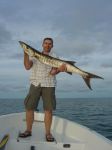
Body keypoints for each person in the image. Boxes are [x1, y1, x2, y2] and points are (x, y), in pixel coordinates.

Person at [19, 37, 67, 142]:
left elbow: (53, 73)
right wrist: (26, 53)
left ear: (52, 46)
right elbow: (27, 67)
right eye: (46, 43)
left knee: (48, 110)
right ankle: (28, 130)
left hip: (49, 84)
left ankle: (48, 133)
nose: (47, 45)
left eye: (50, 44)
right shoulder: (34, 55)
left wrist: (59, 69)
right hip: (35, 83)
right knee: (29, 108)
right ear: (42, 44)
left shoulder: (55, 57)